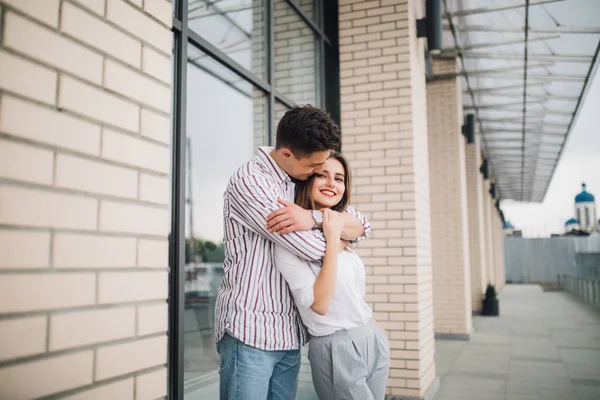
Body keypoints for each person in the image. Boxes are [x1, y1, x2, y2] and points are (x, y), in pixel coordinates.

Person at [215, 105, 371, 400]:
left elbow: (362, 223)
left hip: (290, 333)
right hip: (251, 330)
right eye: (315, 167)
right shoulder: (252, 181)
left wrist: (314, 218)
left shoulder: (298, 182)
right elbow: (308, 247)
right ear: (287, 154)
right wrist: (338, 234)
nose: (319, 174)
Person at [274, 152, 390, 400]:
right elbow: (320, 305)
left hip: (370, 335)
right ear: (307, 179)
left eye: (339, 178)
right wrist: (333, 235)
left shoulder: (341, 222)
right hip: (335, 344)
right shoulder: (292, 238)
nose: (331, 184)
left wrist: (319, 220)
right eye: (322, 175)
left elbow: (364, 226)